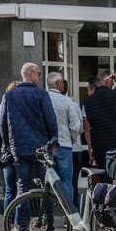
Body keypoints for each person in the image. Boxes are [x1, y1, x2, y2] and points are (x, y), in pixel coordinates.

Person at [0, 63, 58, 231]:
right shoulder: (41, 94)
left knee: (22, 189)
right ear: (31, 74)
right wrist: (54, 141)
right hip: (41, 149)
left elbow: (2, 123)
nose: (40, 77)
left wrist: (7, 146)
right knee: (45, 189)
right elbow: (51, 120)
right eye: (39, 73)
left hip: (19, 149)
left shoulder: (9, 96)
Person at [45, 73, 82, 202]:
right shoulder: (67, 101)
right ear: (57, 84)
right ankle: (69, 216)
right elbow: (76, 126)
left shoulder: (43, 99)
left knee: (49, 181)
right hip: (64, 144)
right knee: (67, 180)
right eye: (61, 82)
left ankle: (48, 215)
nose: (63, 84)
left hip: (46, 145)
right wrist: (72, 139)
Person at [0, 81, 20, 215]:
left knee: (10, 190)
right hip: (20, 153)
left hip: (7, 154)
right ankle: (19, 223)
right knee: (22, 190)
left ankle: (8, 222)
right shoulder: (22, 109)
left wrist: (3, 149)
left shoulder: (2, 108)